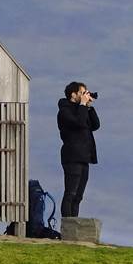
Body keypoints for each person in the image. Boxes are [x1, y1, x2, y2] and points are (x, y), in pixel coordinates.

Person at [57, 81, 100, 218]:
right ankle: (67, 226)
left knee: (78, 196)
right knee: (70, 193)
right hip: (72, 157)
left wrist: (88, 107)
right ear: (73, 94)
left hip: (84, 158)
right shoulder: (65, 111)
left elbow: (95, 125)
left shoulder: (81, 110)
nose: (84, 95)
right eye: (82, 93)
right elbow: (79, 123)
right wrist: (82, 105)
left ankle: (74, 225)